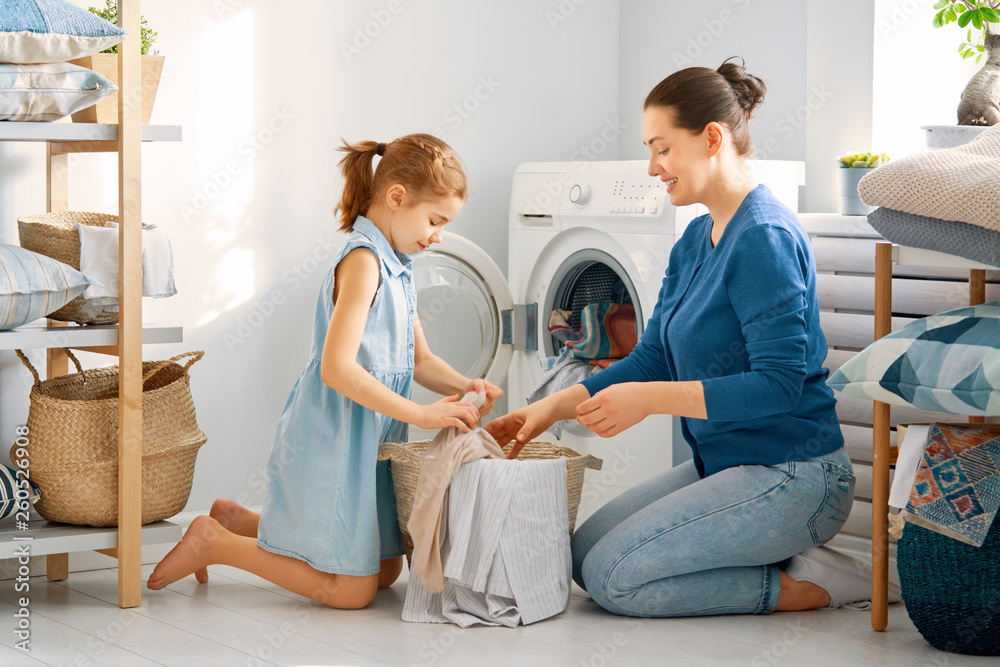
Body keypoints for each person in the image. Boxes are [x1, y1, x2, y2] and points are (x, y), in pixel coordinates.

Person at [486, 59, 889, 617]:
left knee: (613, 580)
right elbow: (653, 356)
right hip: (725, 464)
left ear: (712, 139)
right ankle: (766, 558)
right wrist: (549, 410)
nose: (653, 167)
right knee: (580, 556)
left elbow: (780, 385)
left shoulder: (763, 238)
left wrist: (650, 401)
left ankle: (816, 584)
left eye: (662, 148)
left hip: (795, 477)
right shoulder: (698, 237)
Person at [149, 133, 502, 609]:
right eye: (435, 220)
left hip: (375, 438)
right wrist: (421, 416)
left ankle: (236, 519)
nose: (438, 235)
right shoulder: (363, 263)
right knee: (351, 591)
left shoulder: (400, 266)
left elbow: (420, 361)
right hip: (337, 433)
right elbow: (337, 369)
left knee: (384, 569)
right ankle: (216, 542)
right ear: (397, 197)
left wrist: (467, 385)